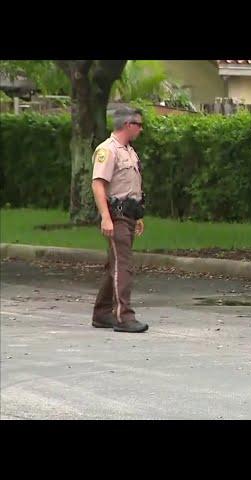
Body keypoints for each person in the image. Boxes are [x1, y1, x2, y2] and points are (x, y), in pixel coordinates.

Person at [90, 107, 148, 333]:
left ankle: (102, 313)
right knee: (123, 265)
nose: (141, 129)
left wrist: (139, 215)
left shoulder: (130, 152)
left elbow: (132, 187)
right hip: (116, 216)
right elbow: (98, 184)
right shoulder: (108, 150)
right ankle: (124, 316)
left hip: (130, 214)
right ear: (128, 125)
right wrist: (105, 217)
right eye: (139, 125)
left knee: (114, 265)